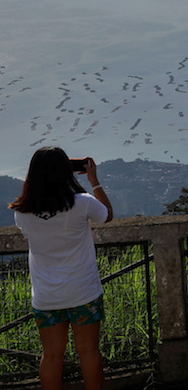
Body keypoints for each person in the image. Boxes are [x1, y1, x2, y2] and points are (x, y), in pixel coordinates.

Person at [10, 148, 113, 390]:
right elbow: (106, 215)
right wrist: (94, 181)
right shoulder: (82, 202)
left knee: (52, 356)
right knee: (89, 352)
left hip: (47, 296)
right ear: (66, 172)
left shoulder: (21, 212)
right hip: (83, 291)